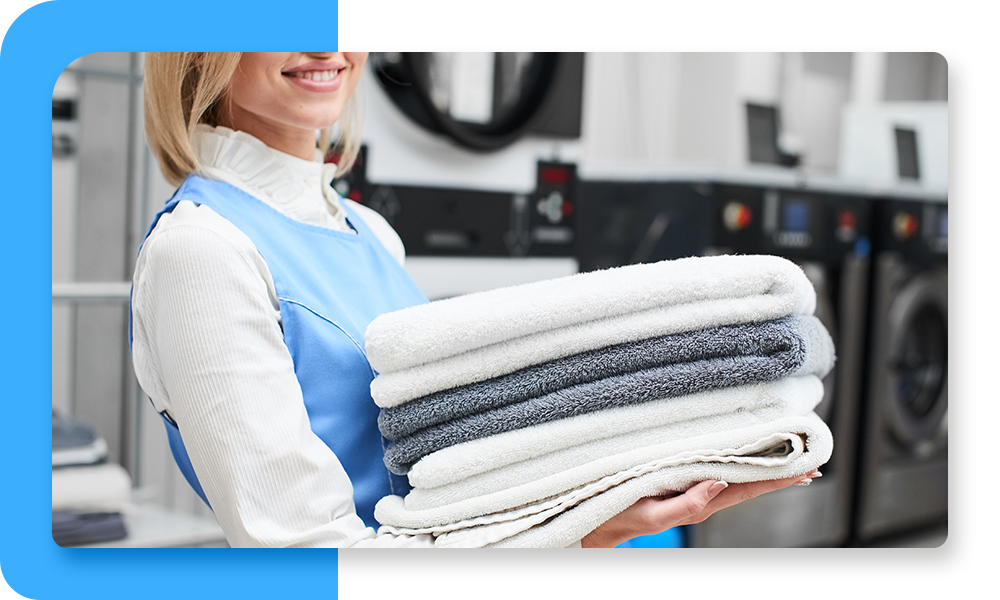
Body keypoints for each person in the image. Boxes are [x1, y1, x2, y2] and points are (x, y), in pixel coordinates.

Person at [130, 52, 819, 549]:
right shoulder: (202, 252)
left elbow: (447, 470)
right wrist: (572, 531)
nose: (326, 46)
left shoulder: (367, 231)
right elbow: (306, 556)